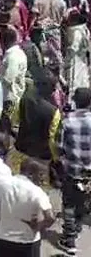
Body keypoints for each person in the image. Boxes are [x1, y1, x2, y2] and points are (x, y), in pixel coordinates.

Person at [0, 157, 54, 257]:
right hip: (28, 241)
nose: (43, 179)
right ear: (30, 174)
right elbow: (50, 217)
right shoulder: (37, 192)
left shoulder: (3, 184)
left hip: (4, 238)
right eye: (41, 174)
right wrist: (39, 227)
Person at [57, 86, 91, 253]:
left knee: (69, 203)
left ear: (75, 101)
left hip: (71, 170)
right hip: (89, 174)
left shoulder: (67, 121)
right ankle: (76, 228)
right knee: (83, 202)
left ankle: (69, 240)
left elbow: (59, 147)